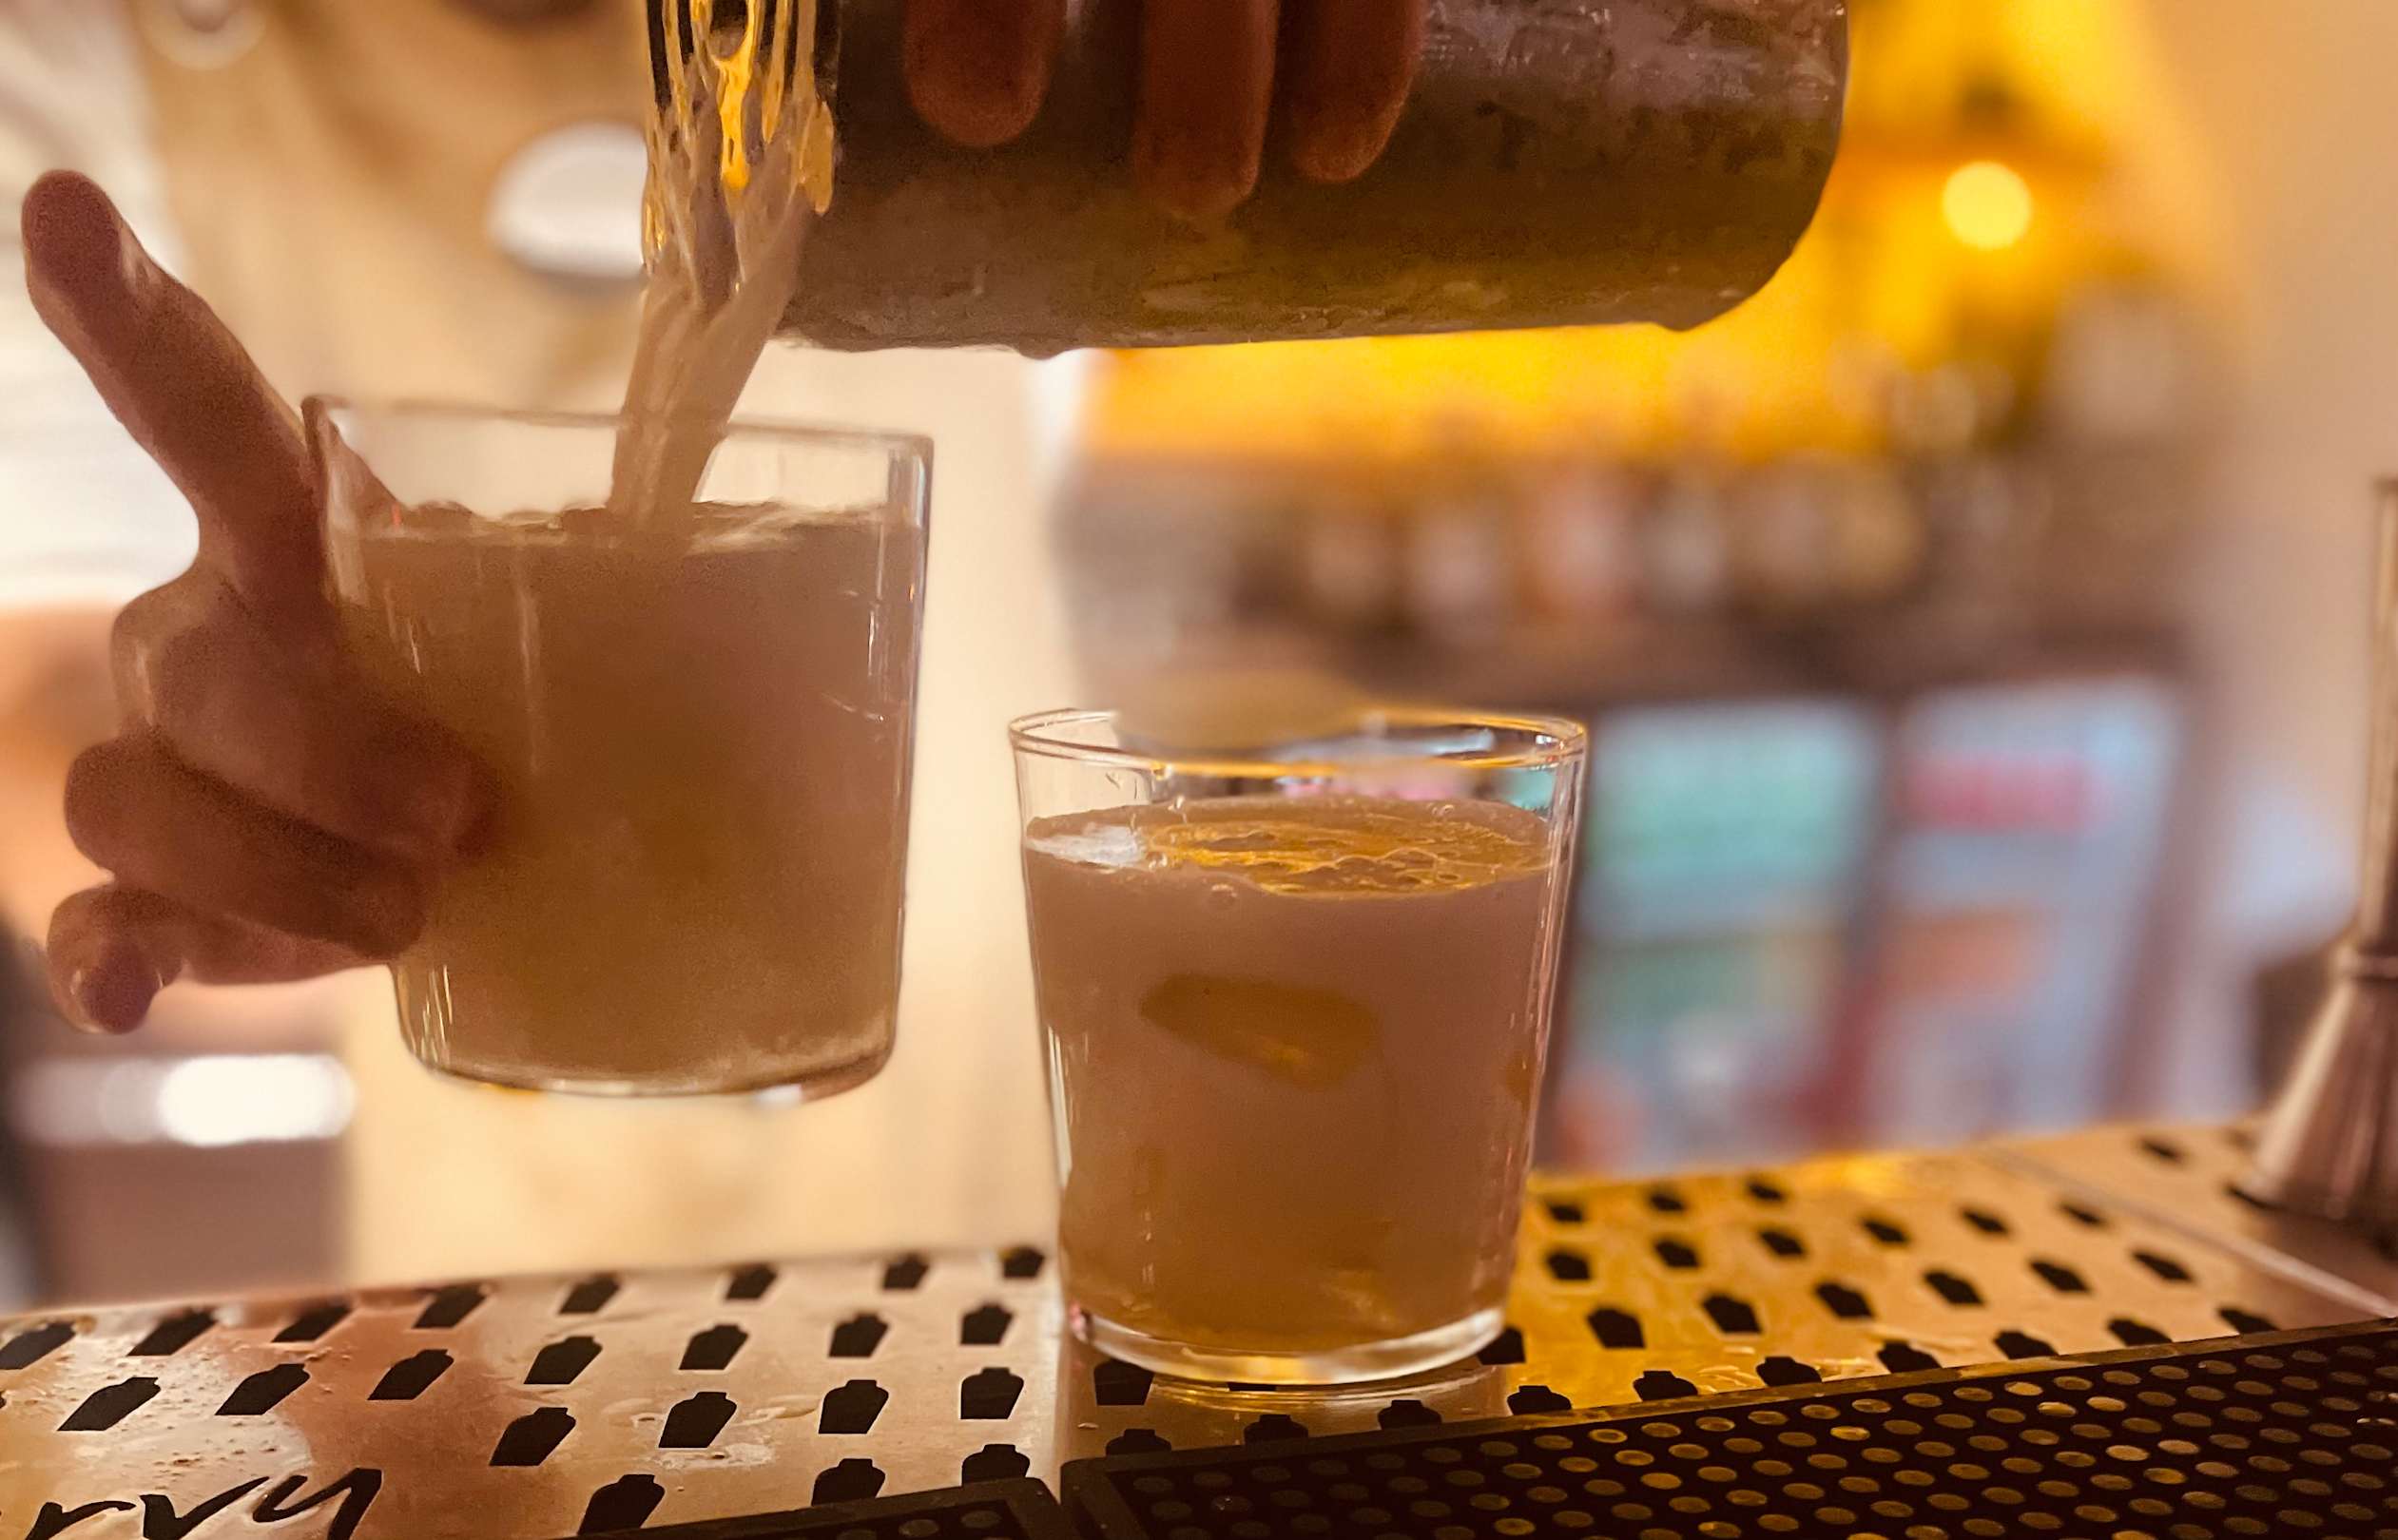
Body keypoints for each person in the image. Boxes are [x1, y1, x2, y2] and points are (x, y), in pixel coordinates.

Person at [29, 0, 1430, 1034]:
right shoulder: (77, 43)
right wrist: (252, 811)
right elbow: (38, 712)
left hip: (990, 1174)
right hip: (492, 1228)